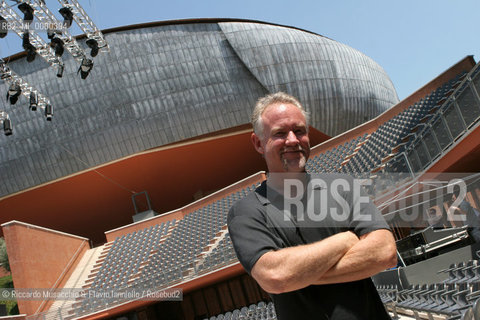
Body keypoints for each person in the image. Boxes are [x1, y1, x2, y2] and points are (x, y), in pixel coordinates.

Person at [227, 92, 397, 320]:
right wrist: (345, 240)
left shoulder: (343, 186)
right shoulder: (247, 211)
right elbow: (274, 276)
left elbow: (384, 252)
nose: (292, 140)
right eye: (279, 133)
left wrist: (298, 274)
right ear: (258, 143)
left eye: (299, 130)